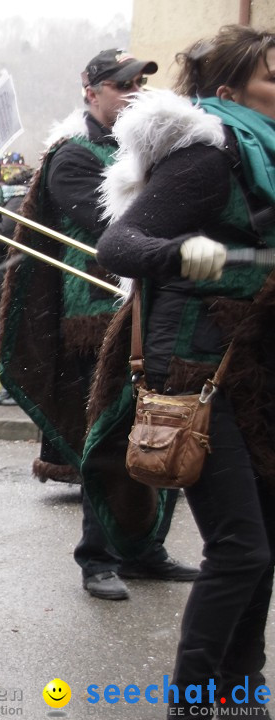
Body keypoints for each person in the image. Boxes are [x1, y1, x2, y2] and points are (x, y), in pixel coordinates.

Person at [83, 25, 275, 718]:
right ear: (229, 92)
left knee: (265, 547)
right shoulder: (211, 153)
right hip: (196, 369)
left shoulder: (270, 157)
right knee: (242, 549)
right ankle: (192, 701)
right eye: (272, 78)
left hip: (259, 374)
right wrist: (180, 250)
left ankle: (238, 686)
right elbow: (118, 241)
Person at [0, 48, 197, 601]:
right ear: (92, 92)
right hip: (93, 322)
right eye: (121, 86)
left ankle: (142, 548)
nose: (133, 94)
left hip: (146, 311)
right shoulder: (73, 155)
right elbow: (112, 222)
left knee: (159, 431)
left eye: (139, 86)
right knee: (105, 442)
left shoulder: (147, 150)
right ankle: (98, 557)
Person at [0, 155, 31, 407]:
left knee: (9, 334)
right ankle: (9, 387)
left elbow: (0, 235)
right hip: (6, 275)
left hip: (9, 275)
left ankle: (13, 388)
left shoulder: (13, 198)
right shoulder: (14, 197)